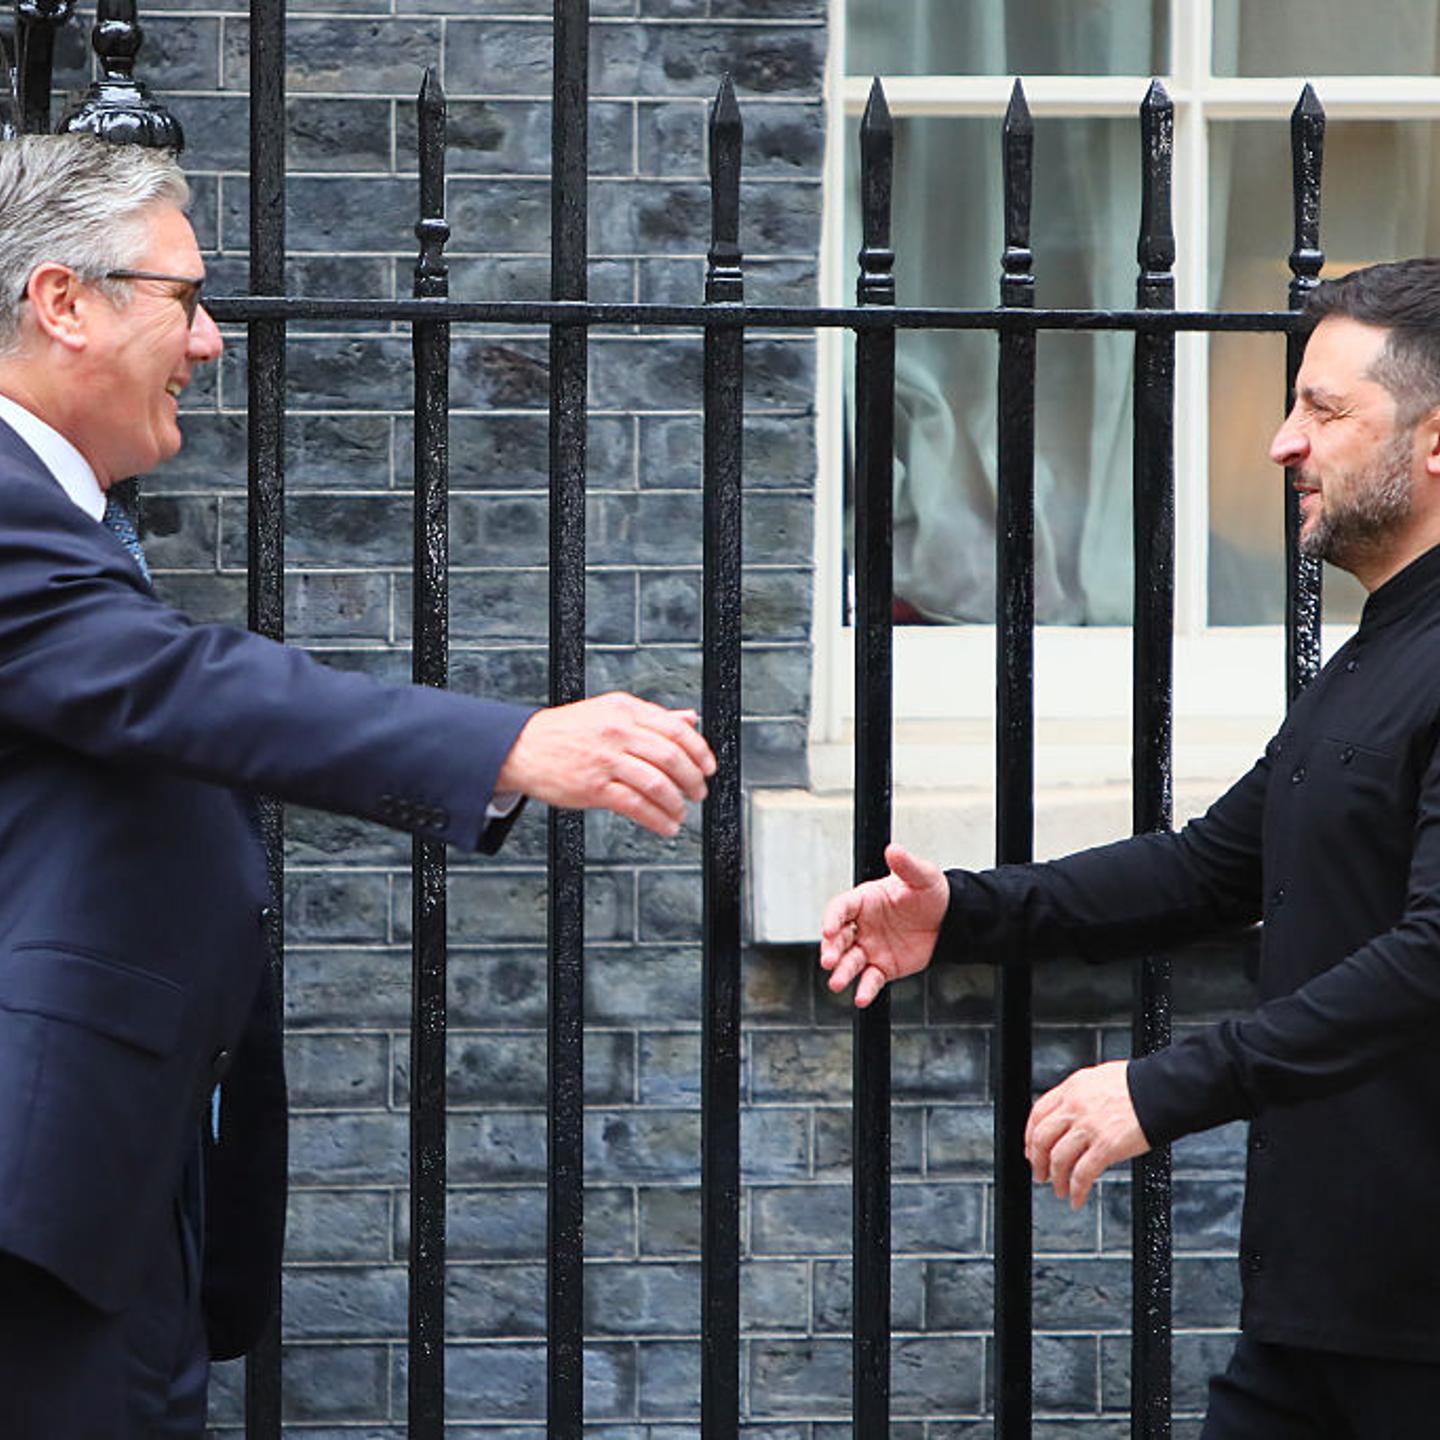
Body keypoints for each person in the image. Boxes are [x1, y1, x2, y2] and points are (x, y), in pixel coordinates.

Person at [0, 133, 715, 1437]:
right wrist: (503, 744)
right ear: (63, 302)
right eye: (183, 297)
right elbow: (169, 685)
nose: (211, 339)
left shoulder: (63, 509)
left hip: (97, 1192)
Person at [820, 257, 1440, 1438]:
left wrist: (1164, 1088)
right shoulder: (1373, 659)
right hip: (1321, 1314)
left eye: (1324, 409)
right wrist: (964, 911)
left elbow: (1432, 954)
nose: (1280, 444)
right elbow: (1211, 867)